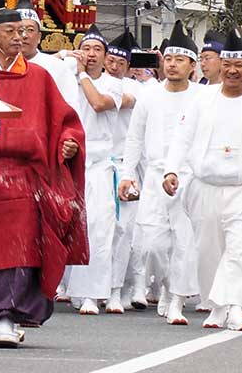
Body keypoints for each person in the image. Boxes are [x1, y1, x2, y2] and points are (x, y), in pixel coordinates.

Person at [0, 9, 86, 348]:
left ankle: (7, 318)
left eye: (22, 31)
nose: (19, 37)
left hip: (25, 179)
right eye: (10, 31)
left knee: (19, 251)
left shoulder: (39, 76)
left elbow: (66, 120)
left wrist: (69, 141)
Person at [163, 27, 242, 332]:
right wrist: (171, 170)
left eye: (239, 66)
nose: (232, 71)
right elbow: (182, 137)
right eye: (228, 65)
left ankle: (235, 308)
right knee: (208, 250)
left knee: (240, 248)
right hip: (205, 186)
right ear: (221, 65)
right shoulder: (202, 99)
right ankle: (217, 306)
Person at [118, 21, 200, 325]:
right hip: (154, 178)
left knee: (184, 242)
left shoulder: (202, 97)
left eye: (180, 59)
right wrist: (128, 174)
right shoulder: (149, 95)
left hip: (190, 178)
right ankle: (165, 283)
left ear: (192, 66)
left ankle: (176, 298)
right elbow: (134, 138)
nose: (173, 64)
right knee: (151, 244)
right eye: (169, 59)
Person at [62, 25, 124, 315]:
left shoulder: (113, 84)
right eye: (85, 48)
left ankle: (92, 294)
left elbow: (98, 104)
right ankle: (70, 287)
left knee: (99, 229)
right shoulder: (68, 78)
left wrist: (82, 75)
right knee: (70, 227)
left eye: (97, 49)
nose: (90, 54)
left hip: (99, 166)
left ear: (105, 56)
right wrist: (65, 57)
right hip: (70, 163)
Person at [106, 30, 145, 313]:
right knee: (98, 229)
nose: (114, 66)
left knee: (125, 229)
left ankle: (119, 288)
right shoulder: (92, 82)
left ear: (129, 66)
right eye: (110, 60)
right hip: (97, 163)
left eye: (120, 63)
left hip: (125, 164)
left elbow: (126, 101)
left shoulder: (136, 88)